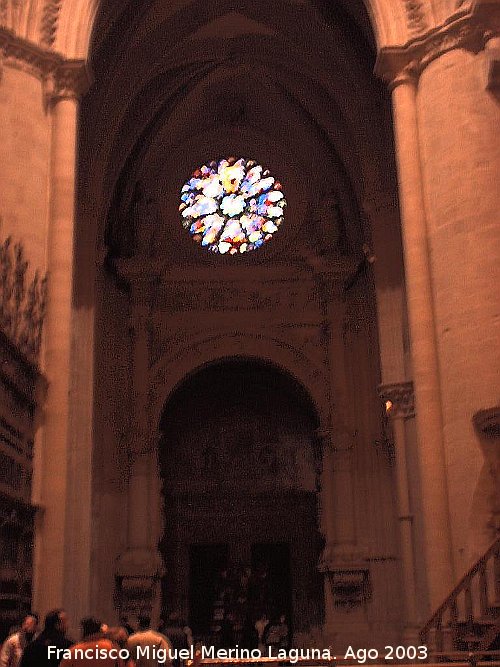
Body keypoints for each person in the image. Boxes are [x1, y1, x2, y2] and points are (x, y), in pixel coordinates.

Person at [59, 617, 126, 666]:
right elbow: (121, 664)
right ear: (99, 630)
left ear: (84, 631)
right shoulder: (111, 646)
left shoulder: (74, 651)